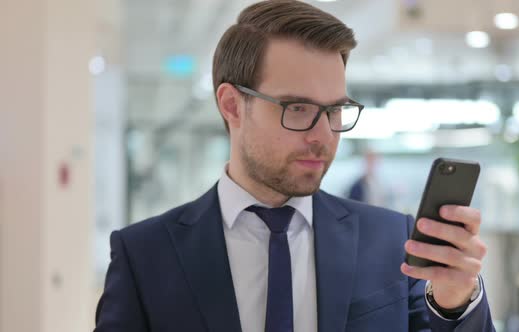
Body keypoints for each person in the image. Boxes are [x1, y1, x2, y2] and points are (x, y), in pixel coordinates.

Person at [95, 1, 495, 331]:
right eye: (297, 108)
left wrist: (456, 302)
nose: (323, 136)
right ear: (232, 105)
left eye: (335, 110)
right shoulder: (146, 255)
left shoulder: (392, 240)